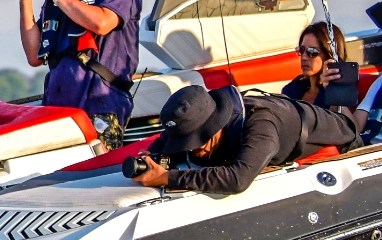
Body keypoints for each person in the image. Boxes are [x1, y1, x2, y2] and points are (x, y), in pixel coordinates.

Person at [17, 0, 142, 149]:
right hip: (58, 110)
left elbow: (102, 23)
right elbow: (34, 56)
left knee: (96, 170)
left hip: (100, 109)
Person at [128, 82, 358, 195]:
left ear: (215, 124)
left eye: (197, 142)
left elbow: (238, 179)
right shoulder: (203, 114)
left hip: (343, 143)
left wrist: (167, 177)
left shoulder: (261, 124)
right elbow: (165, 140)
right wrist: (153, 156)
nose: (193, 150)